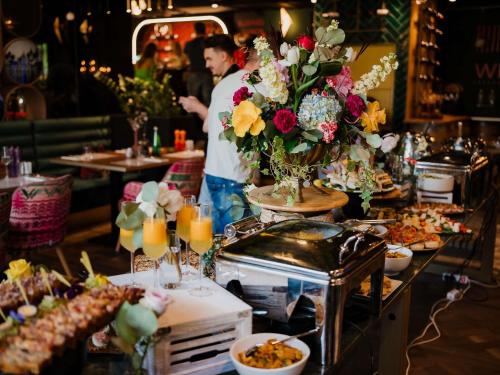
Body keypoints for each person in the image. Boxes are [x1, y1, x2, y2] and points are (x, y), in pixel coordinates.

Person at [179, 34, 260, 234]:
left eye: (209, 59)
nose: (207, 65)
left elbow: (208, 126)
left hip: (216, 172)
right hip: (233, 174)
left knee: (208, 238)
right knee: (234, 241)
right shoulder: (255, 85)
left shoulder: (226, 84)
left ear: (224, 56)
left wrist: (198, 107)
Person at [184, 22, 213, 106]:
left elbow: (185, 60)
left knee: (192, 101)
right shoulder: (208, 43)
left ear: (195, 30)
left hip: (194, 73)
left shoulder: (189, 44)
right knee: (208, 101)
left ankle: (192, 119)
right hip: (207, 73)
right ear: (204, 29)